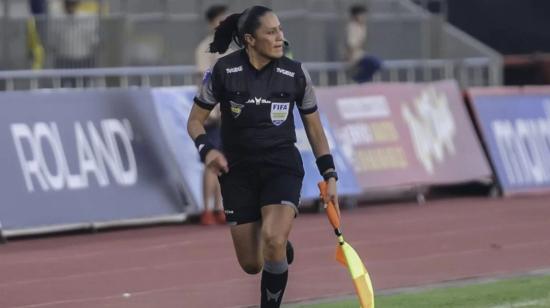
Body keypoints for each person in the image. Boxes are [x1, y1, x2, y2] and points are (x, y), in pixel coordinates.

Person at [187, 6, 340, 307]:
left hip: (281, 167)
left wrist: (330, 174)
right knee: (251, 265)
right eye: (271, 32)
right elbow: (194, 121)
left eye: (280, 29)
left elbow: (315, 129)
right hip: (237, 172)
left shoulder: (296, 74)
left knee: (272, 238)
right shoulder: (223, 71)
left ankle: (276, 246)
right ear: (249, 40)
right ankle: (279, 247)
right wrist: (208, 150)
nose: (280, 37)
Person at [194, 5, 230, 225]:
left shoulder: (231, 48)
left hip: (230, 114)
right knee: (211, 160)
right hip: (213, 114)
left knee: (225, 161)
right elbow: (203, 81)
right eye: (220, 20)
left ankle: (221, 207)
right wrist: (211, 110)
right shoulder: (204, 48)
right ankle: (207, 209)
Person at [51, 0, 99, 86]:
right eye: (68, 4)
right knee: (63, 87)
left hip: (83, 60)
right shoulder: (57, 20)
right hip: (64, 60)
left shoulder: (87, 18)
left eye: (72, 4)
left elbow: (93, 40)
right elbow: (53, 41)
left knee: (84, 86)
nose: (70, 7)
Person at [346, 4, 381, 83]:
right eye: (362, 15)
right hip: (355, 56)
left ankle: (361, 80)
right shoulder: (352, 27)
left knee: (374, 65)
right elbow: (351, 44)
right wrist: (350, 58)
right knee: (376, 63)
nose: (364, 17)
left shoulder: (361, 27)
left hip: (360, 54)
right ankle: (358, 80)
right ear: (355, 16)